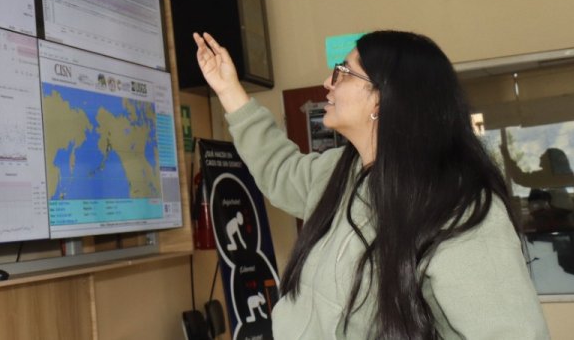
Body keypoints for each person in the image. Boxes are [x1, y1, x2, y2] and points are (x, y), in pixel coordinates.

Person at [193, 30, 549, 339]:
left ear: (381, 97)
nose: (328, 83)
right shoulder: (340, 172)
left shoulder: (457, 206)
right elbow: (278, 169)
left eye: (344, 73)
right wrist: (229, 91)